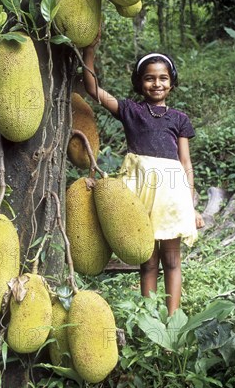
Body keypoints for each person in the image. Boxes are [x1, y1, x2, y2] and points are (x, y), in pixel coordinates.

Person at [83, 42, 205, 315]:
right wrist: (90, 51)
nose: (157, 83)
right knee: (147, 261)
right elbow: (93, 90)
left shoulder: (179, 119)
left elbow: (185, 163)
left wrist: (191, 205)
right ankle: (149, 318)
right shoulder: (130, 111)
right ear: (140, 83)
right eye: (150, 78)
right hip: (139, 193)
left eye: (163, 78)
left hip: (171, 196)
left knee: (172, 260)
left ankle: (173, 319)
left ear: (171, 83)